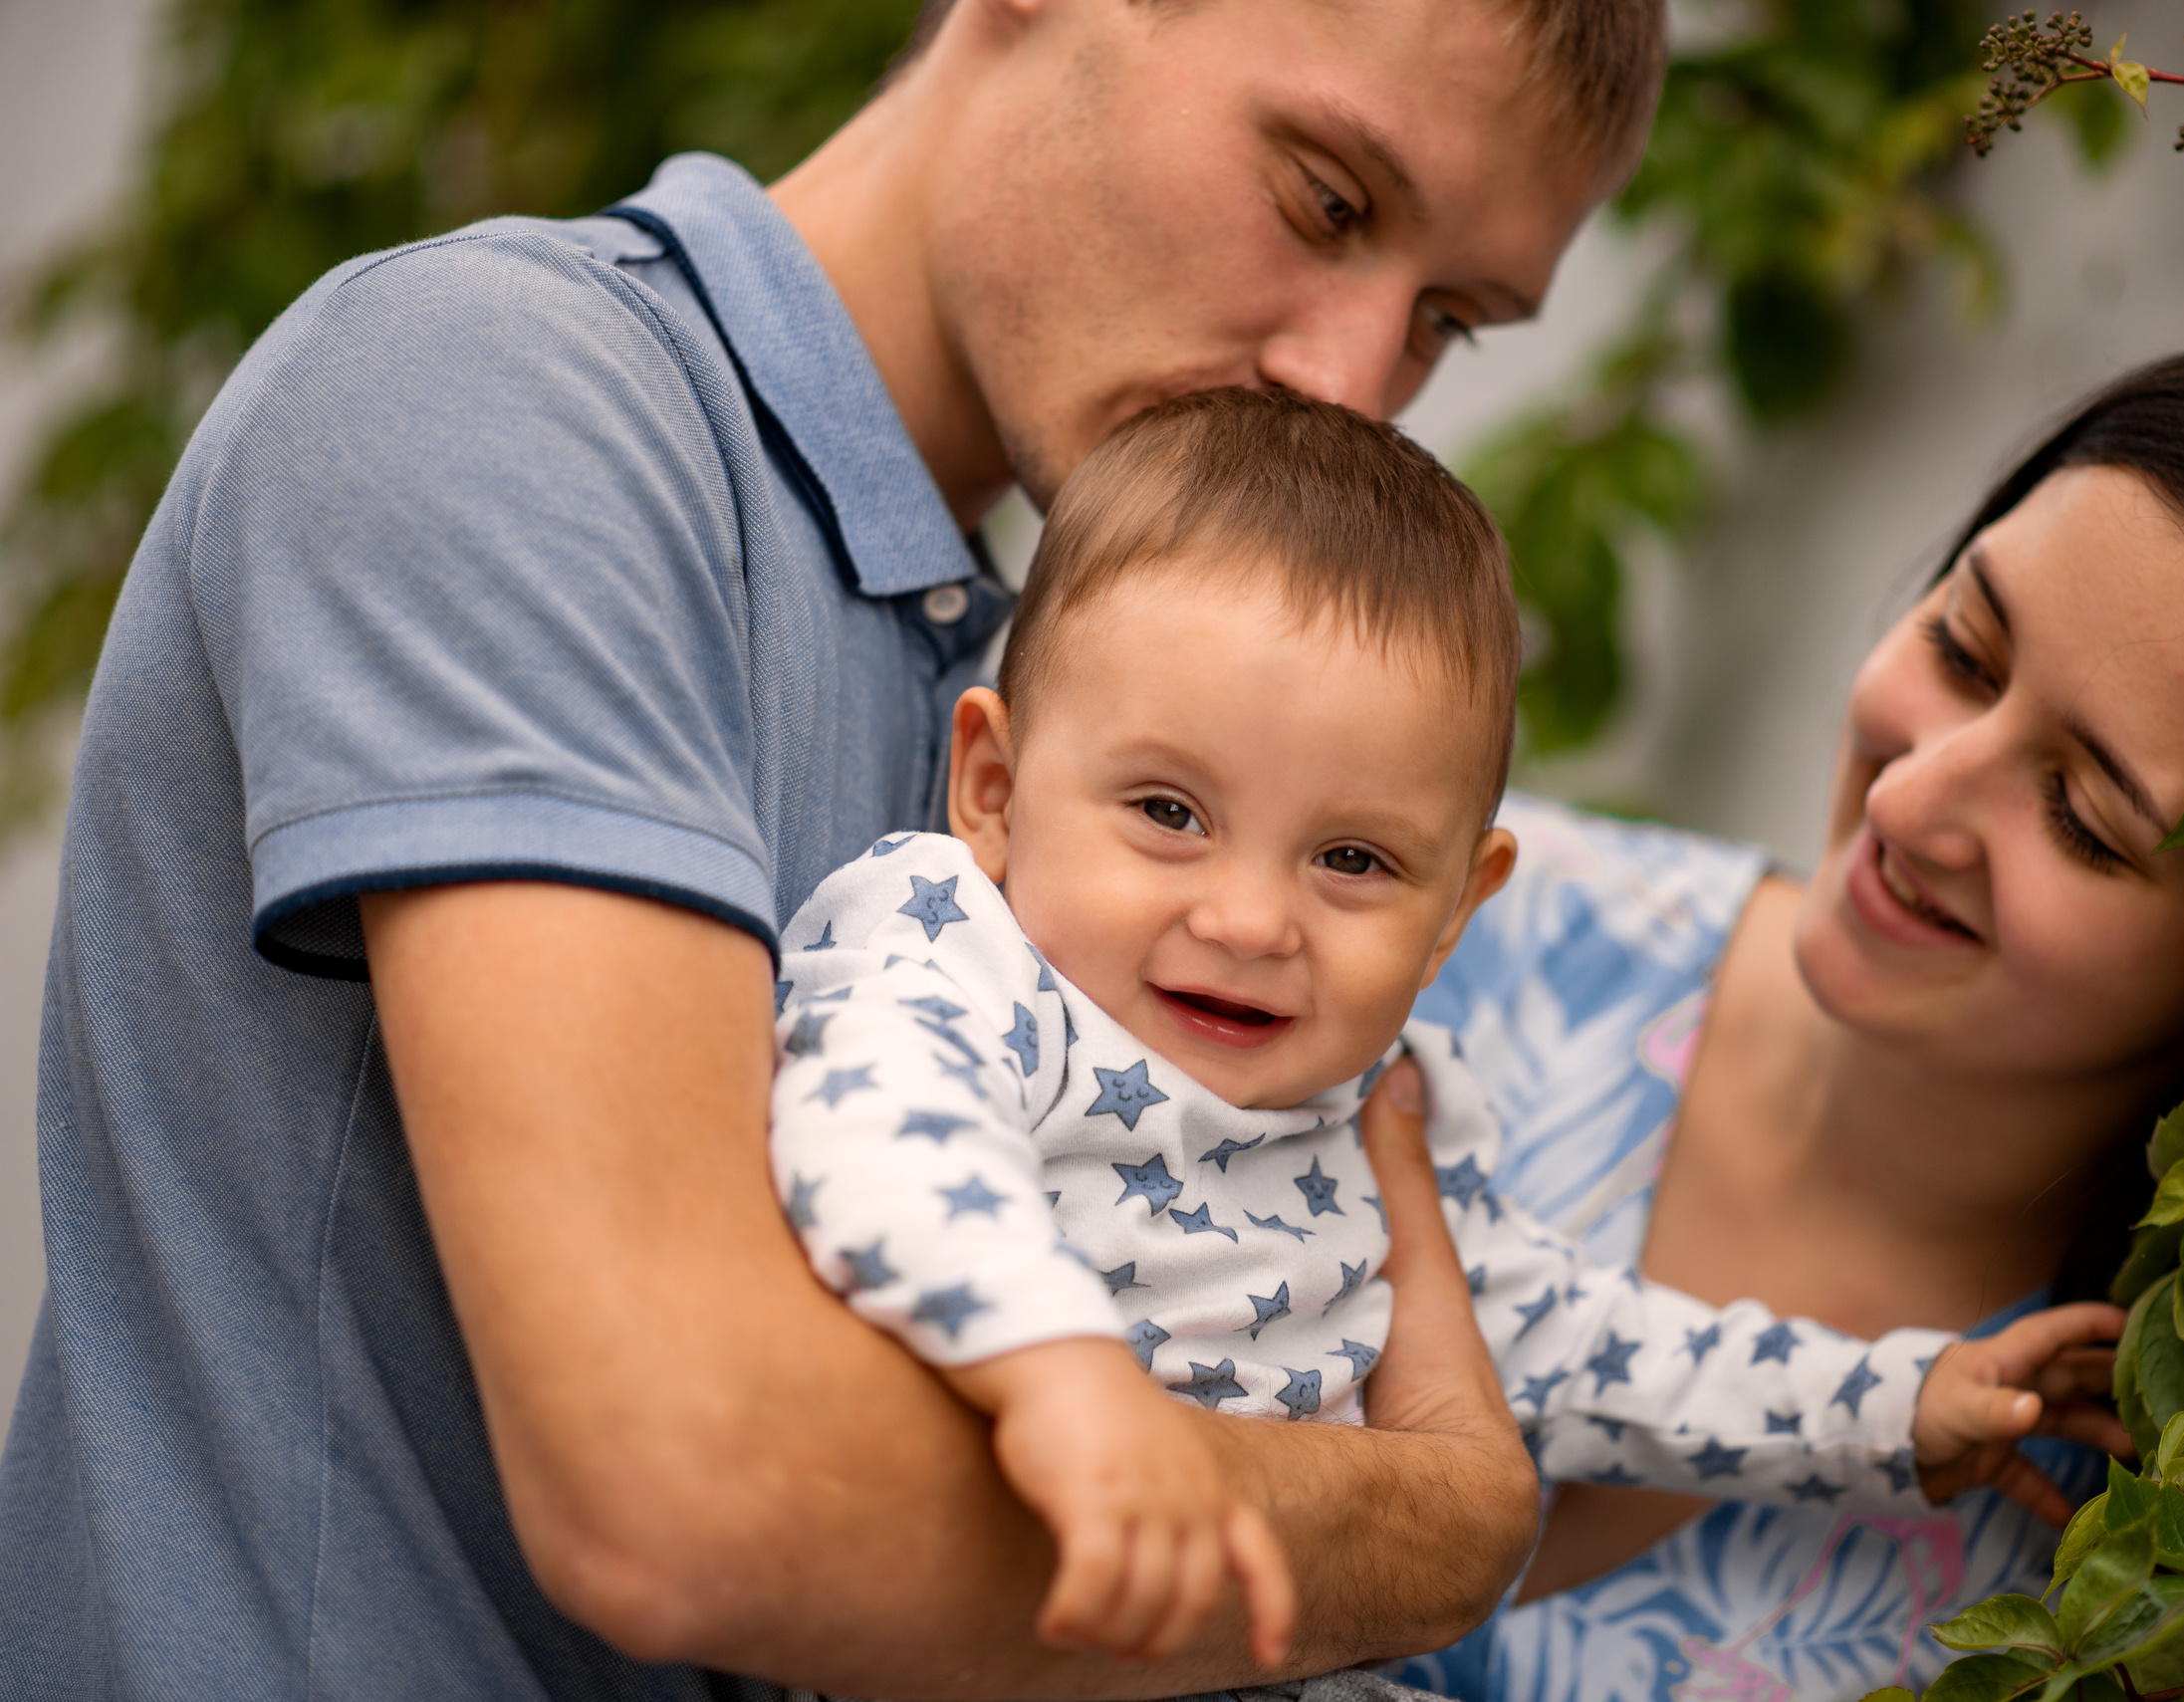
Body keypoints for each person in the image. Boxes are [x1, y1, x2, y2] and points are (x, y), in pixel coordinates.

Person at [0, 1, 1672, 1697]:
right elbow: (691, 1488)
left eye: (1446, 321)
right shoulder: (511, 395)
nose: (1352, 380)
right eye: (1326, 200)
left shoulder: (1067, 707)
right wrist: (1434, 1519)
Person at [763, 387, 2125, 1666]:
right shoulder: (957, 949)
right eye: (1170, 813)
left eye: (1352, 860)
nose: (1249, 920)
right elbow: (883, 1145)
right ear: (994, 788)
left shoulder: (1376, 1111)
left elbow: (1579, 1347)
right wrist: (1061, 1376)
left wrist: (1893, 1407)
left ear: (1456, 913)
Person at [1381, 340, 2184, 1702]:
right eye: (1964, 649)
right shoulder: (1411, 921)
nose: (1910, 799)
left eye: (2083, 815)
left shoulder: (2117, 1575)